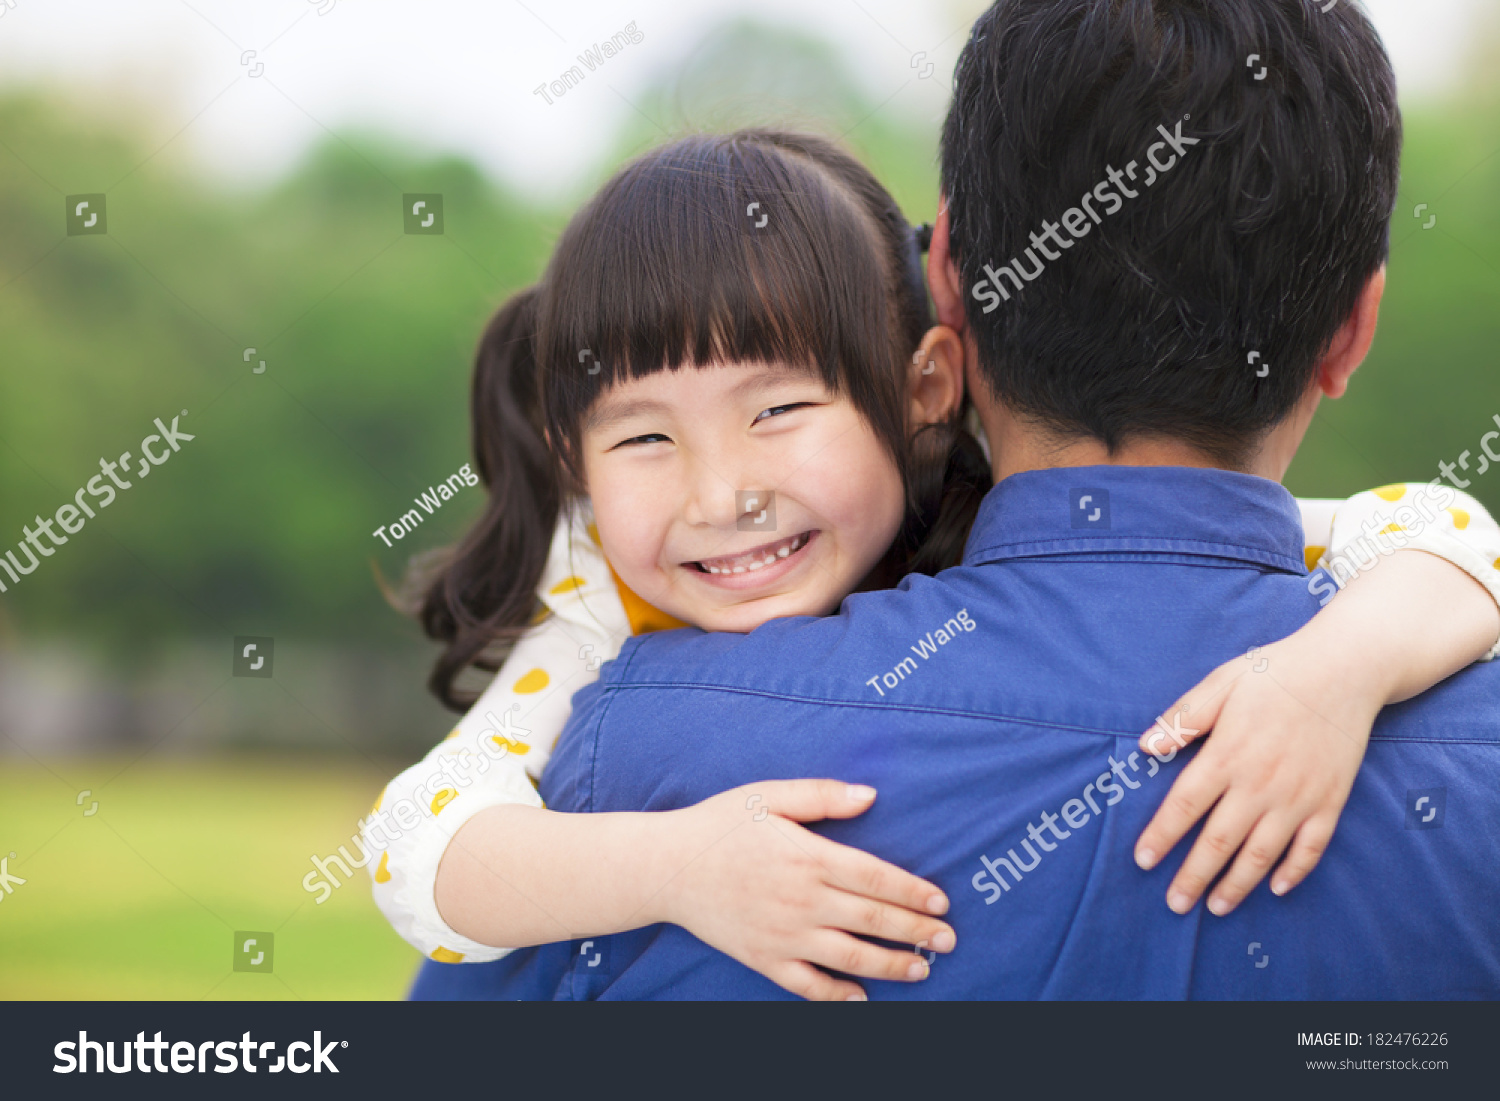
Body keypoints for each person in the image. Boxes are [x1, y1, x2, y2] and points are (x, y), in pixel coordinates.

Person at [371, 107, 1500, 997]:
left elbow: (1437, 529)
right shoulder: (604, 600)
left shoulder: (997, 499)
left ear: (924, 390)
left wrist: (1332, 678)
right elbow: (418, 842)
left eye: (778, 413)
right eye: (645, 438)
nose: (722, 495)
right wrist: (677, 868)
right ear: (578, 461)